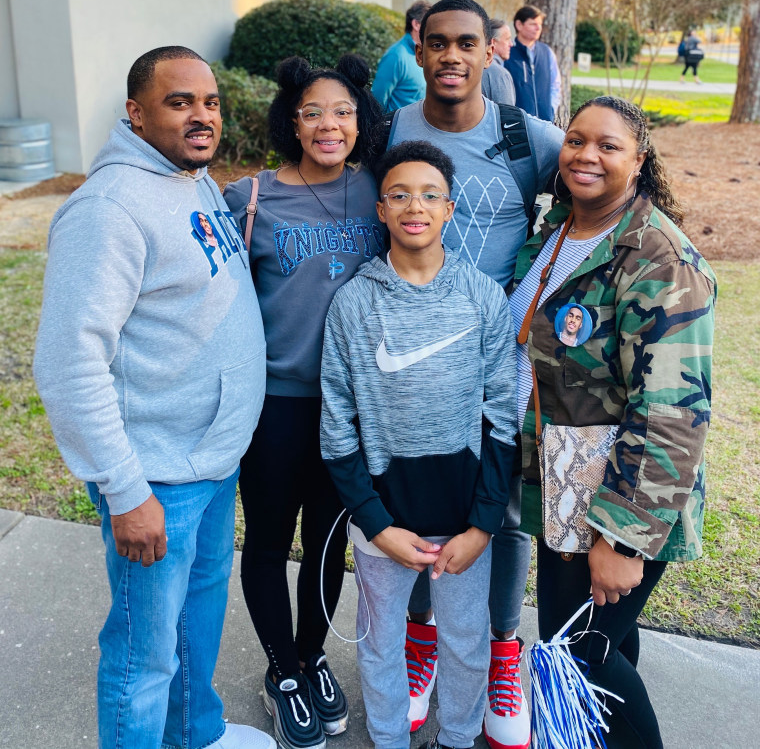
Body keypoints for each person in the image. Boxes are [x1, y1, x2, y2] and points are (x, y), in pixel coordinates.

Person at [33, 46, 274, 749]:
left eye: (210, 102)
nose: (201, 116)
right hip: (154, 478)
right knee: (143, 658)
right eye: (179, 102)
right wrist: (123, 488)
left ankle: (195, 734)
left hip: (208, 461)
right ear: (136, 113)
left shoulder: (187, 176)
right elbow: (69, 363)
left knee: (196, 628)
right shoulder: (107, 210)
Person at [379, 0, 564, 749]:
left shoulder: (533, 137)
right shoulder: (394, 128)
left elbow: (601, 184)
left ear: (492, 52)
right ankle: (422, 641)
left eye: (468, 43)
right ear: (418, 51)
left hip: (501, 361)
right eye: (438, 43)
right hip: (418, 351)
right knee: (422, 492)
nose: (452, 56)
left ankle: (499, 653)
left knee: (504, 506)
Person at [510, 95, 715, 748]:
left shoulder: (657, 258)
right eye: (576, 141)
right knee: (601, 646)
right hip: (563, 486)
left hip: (612, 503)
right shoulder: (556, 233)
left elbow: (672, 411)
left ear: (640, 159)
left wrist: (622, 539)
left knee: (578, 653)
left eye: (608, 145)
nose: (586, 156)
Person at [320, 139, 518, 749]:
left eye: (430, 195)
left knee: (464, 641)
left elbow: (503, 418)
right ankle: (389, 738)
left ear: (450, 210)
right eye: (400, 194)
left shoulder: (481, 295)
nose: (416, 206)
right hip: (385, 523)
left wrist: (483, 525)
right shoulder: (354, 303)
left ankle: (458, 738)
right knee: (382, 644)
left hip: (463, 523)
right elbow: (336, 427)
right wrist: (374, 523)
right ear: (380, 210)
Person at [223, 54, 384, 749]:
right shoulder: (249, 198)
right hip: (274, 408)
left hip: (350, 408)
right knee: (266, 539)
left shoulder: (379, 191)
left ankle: (313, 656)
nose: (329, 125)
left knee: (326, 544)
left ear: (360, 120)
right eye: (314, 112)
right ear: (292, 120)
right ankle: (281, 672)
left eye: (343, 112)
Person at [503, 4, 561, 122]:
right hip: (518, 127)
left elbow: (555, 85)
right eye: (533, 24)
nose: (538, 28)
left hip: (545, 125)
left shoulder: (547, 52)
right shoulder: (508, 54)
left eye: (540, 24)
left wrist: (551, 109)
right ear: (519, 25)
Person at [371, 0, 430, 111]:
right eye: (429, 24)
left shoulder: (429, 54)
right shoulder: (396, 56)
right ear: (416, 24)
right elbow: (377, 102)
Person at [481, 17, 516, 105]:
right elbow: (507, 115)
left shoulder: (474, 66)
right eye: (507, 39)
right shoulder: (500, 74)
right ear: (493, 43)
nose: (511, 44)